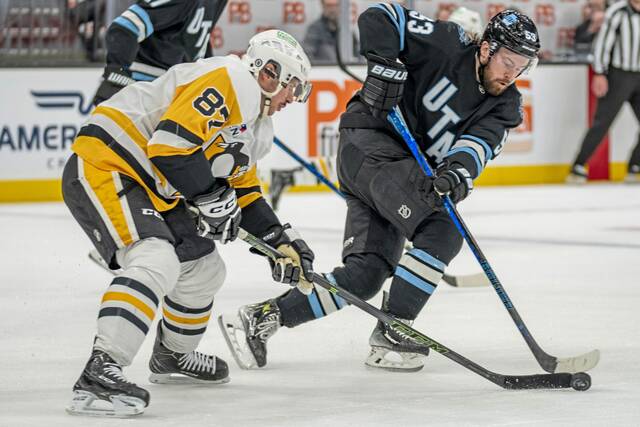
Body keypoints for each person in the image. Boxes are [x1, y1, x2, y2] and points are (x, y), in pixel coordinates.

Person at [219, 5, 540, 372]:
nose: (513, 73)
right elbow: (381, 16)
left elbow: (478, 146)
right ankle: (393, 332)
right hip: (370, 141)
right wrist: (383, 61)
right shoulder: (447, 43)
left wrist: (455, 173)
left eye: (522, 66)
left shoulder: (507, 104)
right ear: (486, 49)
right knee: (442, 231)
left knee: (366, 274)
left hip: (395, 169)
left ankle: (263, 318)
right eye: (509, 62)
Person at [62, 30, 315, 417]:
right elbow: (168, 146)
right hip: (107, 162)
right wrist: (211, 197)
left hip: (152, 186)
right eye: (292, 86)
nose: (292, 98)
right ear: (269, 73)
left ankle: (171, 357)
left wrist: (279, 239)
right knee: (155, 257)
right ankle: (99, 372)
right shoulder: (230, 80)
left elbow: (243, 191)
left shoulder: (254, 124)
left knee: (203, 269)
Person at [92, 0, 228, 106]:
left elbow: (197, 41)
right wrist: (116, 76)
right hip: (144, 91)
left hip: (172, 94)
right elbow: (124, 27)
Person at [567, 0, 640, 184]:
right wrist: (600, 73)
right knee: (603, 122)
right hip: (619, 75)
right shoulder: (617, 12)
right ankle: (578, 165)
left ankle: (635, 166)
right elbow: (602, 45)